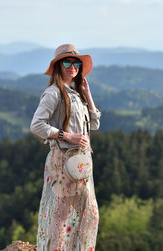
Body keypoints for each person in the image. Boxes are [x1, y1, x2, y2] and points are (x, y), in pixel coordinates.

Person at [30, 44, 101, 251]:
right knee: (62, 213)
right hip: (63, 161)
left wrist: (88, 94)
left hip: (80, 162)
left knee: (90, 213)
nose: (73, 66)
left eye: (76, 62)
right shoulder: (53, 93)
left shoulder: (76, 93)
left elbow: (94, 125)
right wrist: (66, 135)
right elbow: (36, 125)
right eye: (67, 62)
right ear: (59, 66)